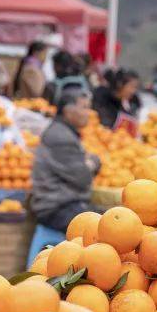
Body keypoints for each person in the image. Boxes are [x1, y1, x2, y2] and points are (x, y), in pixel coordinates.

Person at [31, 87, 101, 233]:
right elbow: (82, 177)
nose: (89, 113)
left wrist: (89, 163)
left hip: (65, 204)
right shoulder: (61, 137)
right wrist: (92, 162)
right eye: (84, 107)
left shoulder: (63, 132)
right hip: (56, 209)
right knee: (105, 227)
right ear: (67, 111)